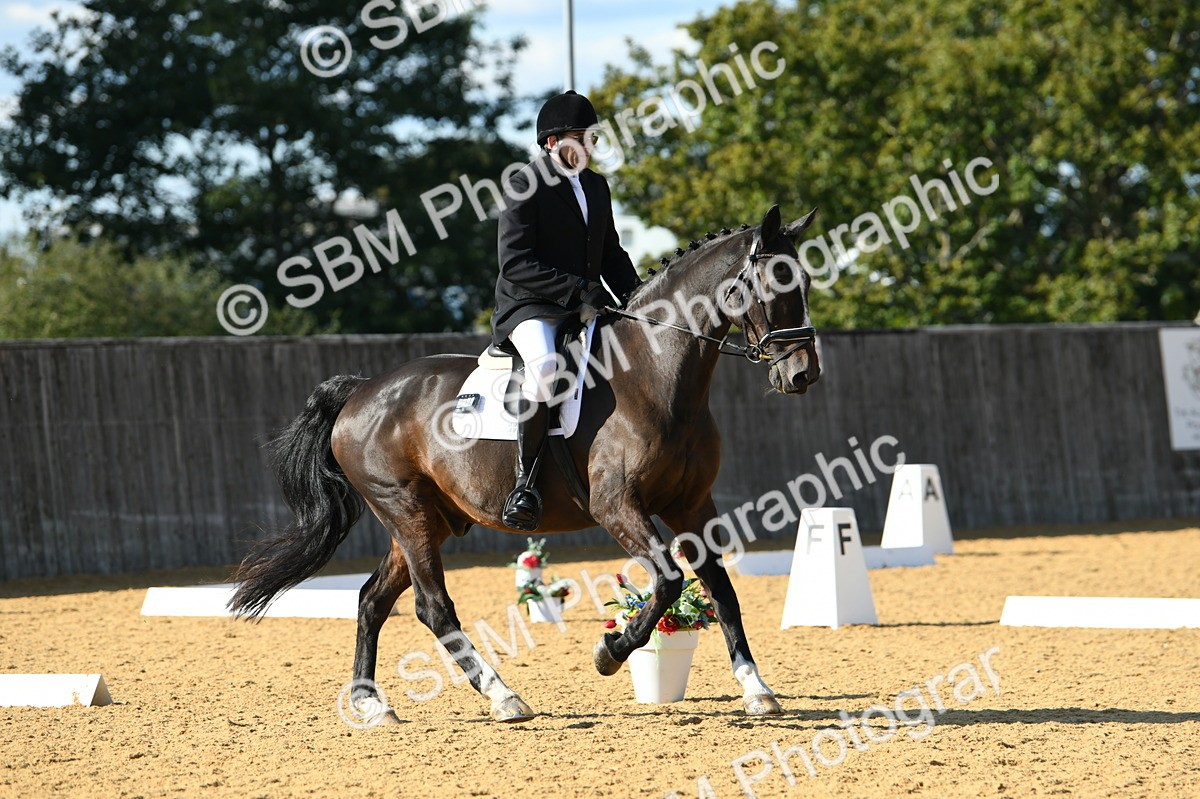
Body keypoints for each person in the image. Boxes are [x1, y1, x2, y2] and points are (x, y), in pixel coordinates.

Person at [490, 90, 641, 531]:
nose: (591, 146)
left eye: (593, 137)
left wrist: (636, 301)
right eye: (583, 137)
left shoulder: (596, 186)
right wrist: (578, 290)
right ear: (553, 142)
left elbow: (611, 253)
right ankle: (525, 483)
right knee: (544, 371)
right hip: (530, 307)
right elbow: (515, 262)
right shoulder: (524, 183)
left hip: (583, 304)